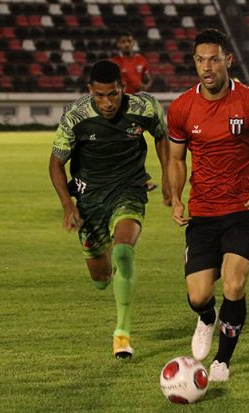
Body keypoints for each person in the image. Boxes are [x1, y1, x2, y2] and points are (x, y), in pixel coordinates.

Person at [167, 29, 249, 382]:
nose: (207, 67)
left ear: (228, 60)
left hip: (243, 209)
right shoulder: (181, 107)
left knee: (234, 284)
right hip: (203, 212)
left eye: (214, 60)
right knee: (198, 295)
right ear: (194, 62)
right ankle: (207, 317)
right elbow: (176, 159)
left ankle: (222, 361)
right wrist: (176, 197)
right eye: (200, 60)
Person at [49, 60, 168, 360]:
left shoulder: (144, 108)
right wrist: (67, 204)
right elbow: (56, 163)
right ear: (90, 90)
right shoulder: (75, 116)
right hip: (90, 199)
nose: (107, 103)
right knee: (101, 280)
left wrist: (168, 177)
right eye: (100, 95)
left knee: (124, 251)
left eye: (113, 94)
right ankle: (113, 270)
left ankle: (122, 334)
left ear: (122, 88)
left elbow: (162, 136)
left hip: (129, 188)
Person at [111, 32, 170, 205]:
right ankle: (139, 181)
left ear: (133, 42)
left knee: (142, 141)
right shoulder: (115, 62)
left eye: (129, 41)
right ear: (118, 44)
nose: (126, 44)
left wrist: (145, 85)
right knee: (129, 144)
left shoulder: (141, 61)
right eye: (123, 41)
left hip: (140, 105)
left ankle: (158, 179)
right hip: (123, 107)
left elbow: (147, 78)